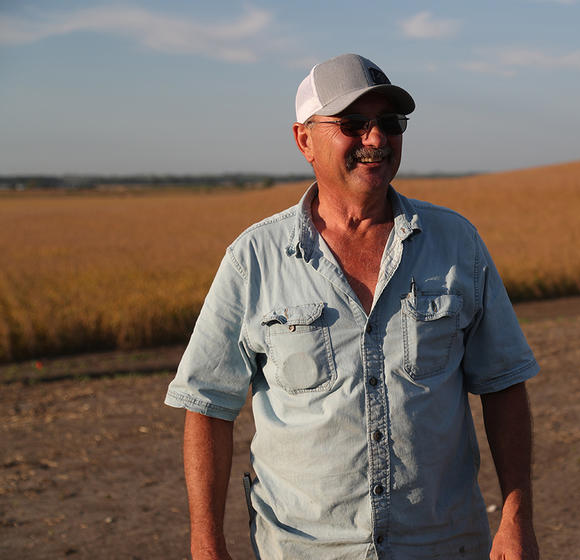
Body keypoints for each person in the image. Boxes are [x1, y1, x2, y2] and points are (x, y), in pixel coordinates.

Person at [165, 53, 540, 560]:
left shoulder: (456, 244)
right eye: (353, 124)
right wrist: (206, 544)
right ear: (304, 140)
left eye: (390, 123)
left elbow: (503, 385)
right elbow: (207, 405)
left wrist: (516, 518)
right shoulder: (254, 259)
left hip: (442, 544)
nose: (376, 139)